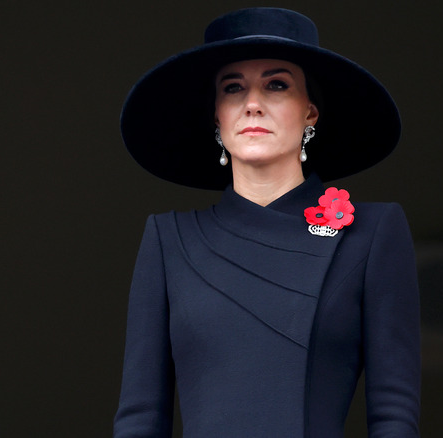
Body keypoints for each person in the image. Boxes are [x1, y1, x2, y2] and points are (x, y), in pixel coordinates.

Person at [114, 8, 420, 437]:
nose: (252, 104)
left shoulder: (373, 232)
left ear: (310, 112)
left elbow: (394, 415)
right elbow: (140, 418)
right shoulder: (169, 239)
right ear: (217, 117)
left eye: (276, 85)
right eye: (233, 88)